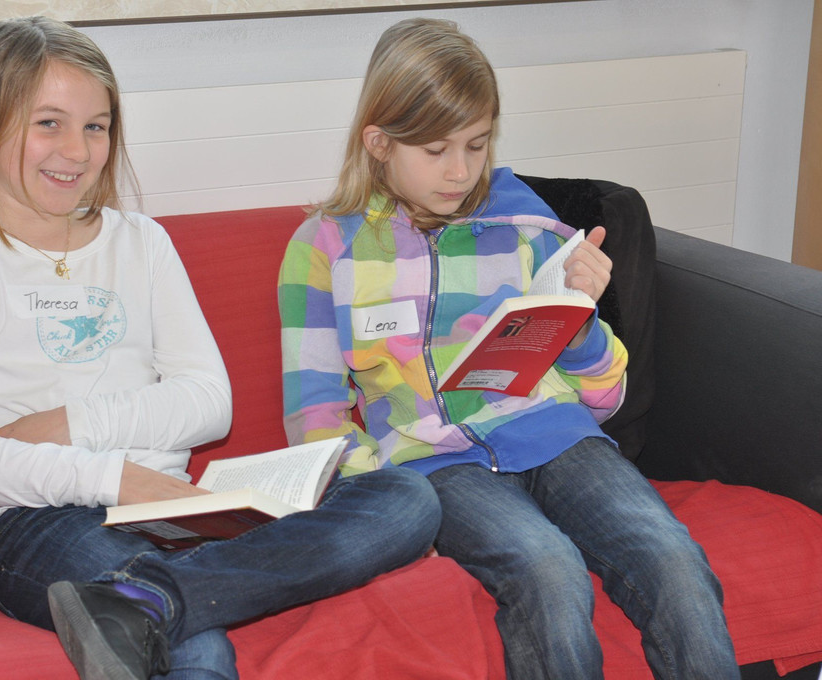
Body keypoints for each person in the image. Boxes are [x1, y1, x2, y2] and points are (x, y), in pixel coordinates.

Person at [0, 16, 440, 680]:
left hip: (172, 509)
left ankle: (155, 600)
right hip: (36, 520)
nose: (77, 150)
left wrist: (70, 425)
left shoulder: (141, 243)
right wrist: (116, 478)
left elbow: (208, 403)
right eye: (49, 123)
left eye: (96, 126)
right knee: (193, 647)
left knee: (406, 499)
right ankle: (163, 602)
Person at [278, 17, 740, 680]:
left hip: (558, 433)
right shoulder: (325, 248)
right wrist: (383, 510)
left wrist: (579, 324)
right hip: (434, 463)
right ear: (379, 143)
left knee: (674, 559)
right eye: (435, 150)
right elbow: (315, 415)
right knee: (547, 570)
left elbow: (608, 399)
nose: (461, 171)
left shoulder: (525, 224)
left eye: (477, 144)